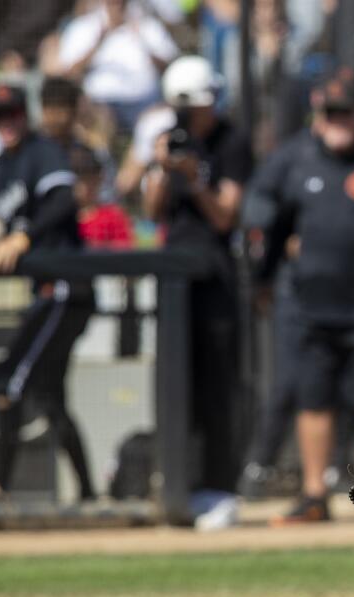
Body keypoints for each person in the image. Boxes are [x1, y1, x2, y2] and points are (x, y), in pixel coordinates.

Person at [243, 68, 354, 525]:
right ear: (317, 115)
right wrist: (263, 269)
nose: (338, 121)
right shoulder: (293, 158)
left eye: (345, 113)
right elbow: (261, 210)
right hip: (307, 305)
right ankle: (314, 494)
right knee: (312, 399)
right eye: (329, 113)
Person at [0, 82, 96, 502]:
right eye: (0, 117)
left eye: (14, 114)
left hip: (67, 287)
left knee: (11, 382)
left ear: (25, 114)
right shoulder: (1, 166)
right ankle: (89, 493)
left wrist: (25, 238)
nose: (8, 123)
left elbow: (63, 202)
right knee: (49, 397)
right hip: (47, 291)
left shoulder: (43, 151)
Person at [143, 55, 252, 529]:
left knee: (217, 384)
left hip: (215, 271)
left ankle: (219, 486)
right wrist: (165, 167)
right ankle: (176, 482)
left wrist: (193, 177)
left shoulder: (230, 141)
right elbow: (151, 210)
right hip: (174, 275)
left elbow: (227, 214)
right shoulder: (167, 137)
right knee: (174, 382)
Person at [56, 0, 178, 130]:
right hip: (100, 105)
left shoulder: (147, 25)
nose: (116, 4)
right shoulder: (84, 26)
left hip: (144, 105)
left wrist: (142, 41)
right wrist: (98, 41)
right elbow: (69, 72)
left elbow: (170, 65)